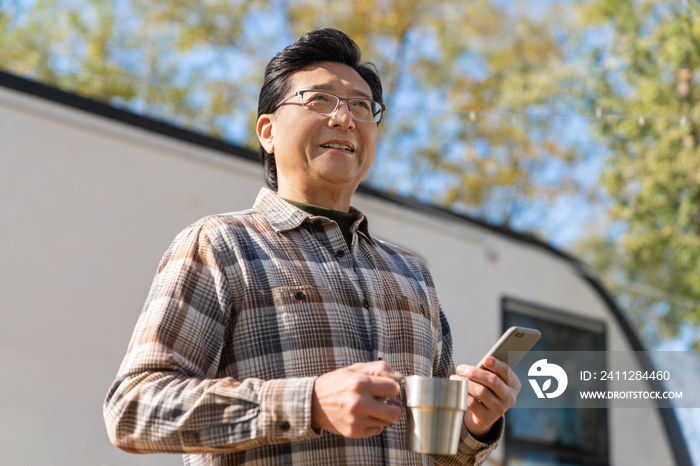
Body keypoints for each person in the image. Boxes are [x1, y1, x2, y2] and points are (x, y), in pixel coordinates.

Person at [103, 27, 521, 466]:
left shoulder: (411, 273)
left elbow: (438, 454)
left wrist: (475, 425)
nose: (344, 118)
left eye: (361, 106)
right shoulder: (219, 244)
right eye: (319, 100)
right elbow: (134, 410)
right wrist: (311, 403)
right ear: (267, 131)